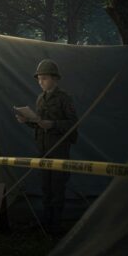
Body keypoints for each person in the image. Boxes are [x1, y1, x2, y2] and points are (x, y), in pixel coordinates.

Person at [16, 59, 78, 233]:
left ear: (54, 79)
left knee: (57, 187)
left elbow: (73, 123)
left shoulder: (64, 98)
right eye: (39, 78)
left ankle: (55, 225)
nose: (40, 81)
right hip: (43, 148)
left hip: (59, 148)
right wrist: (26, 120)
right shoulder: (40, 99)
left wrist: (53, 124)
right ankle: (46, 221)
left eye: (44, 78)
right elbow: (39, 124)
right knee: (46, 186)